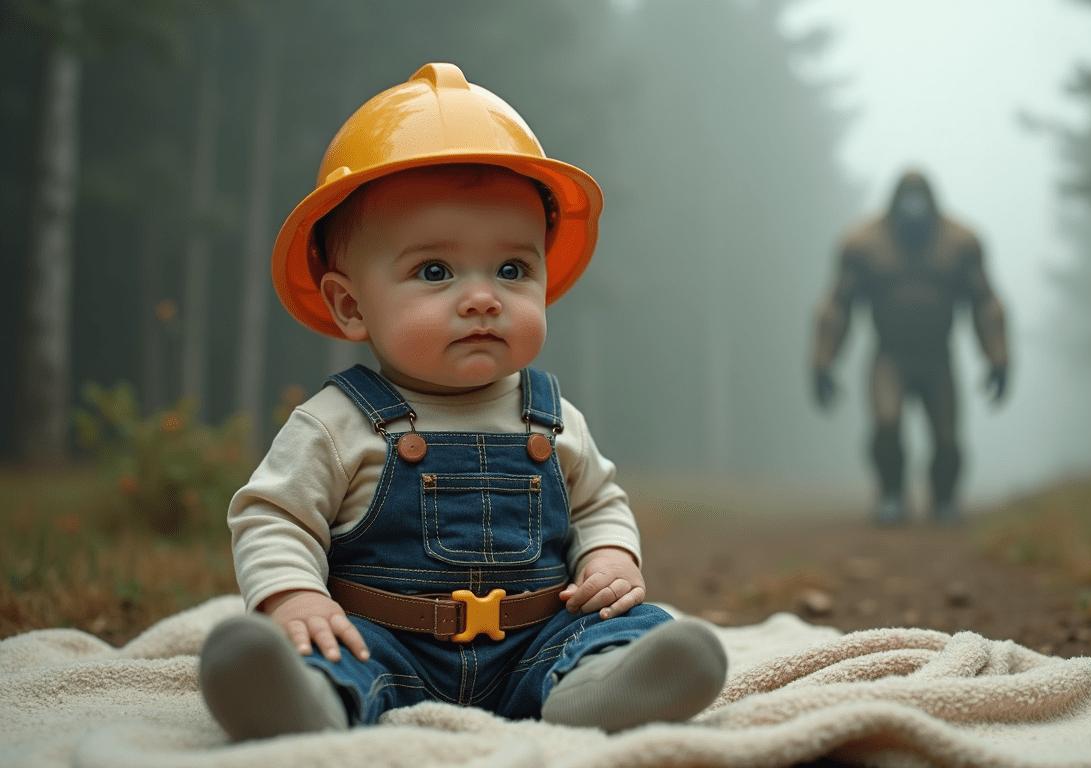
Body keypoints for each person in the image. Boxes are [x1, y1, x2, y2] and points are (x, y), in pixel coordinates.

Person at [198, 63, 727, 739]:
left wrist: (610, 557)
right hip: (385, 642)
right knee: (331, 649)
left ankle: (602, 686)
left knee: (621, 628)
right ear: (351, 305)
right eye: (435, 271)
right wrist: (293, 597)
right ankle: (301, 698)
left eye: (512, 269)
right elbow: (273, 516)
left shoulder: (552, 417)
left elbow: (598, 503)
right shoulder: (338, 423)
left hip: (537, 642)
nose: (482, 297)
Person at [811, 170, 1009, 526]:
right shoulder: (865, 246)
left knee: (946, 438)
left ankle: (944, 497)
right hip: (890, 357)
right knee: (886, 424)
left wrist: (998, 357)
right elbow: (837, 307)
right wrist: (822, 361)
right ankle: (891, 492)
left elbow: (986, 306)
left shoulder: (959, 245)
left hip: (938, 358)